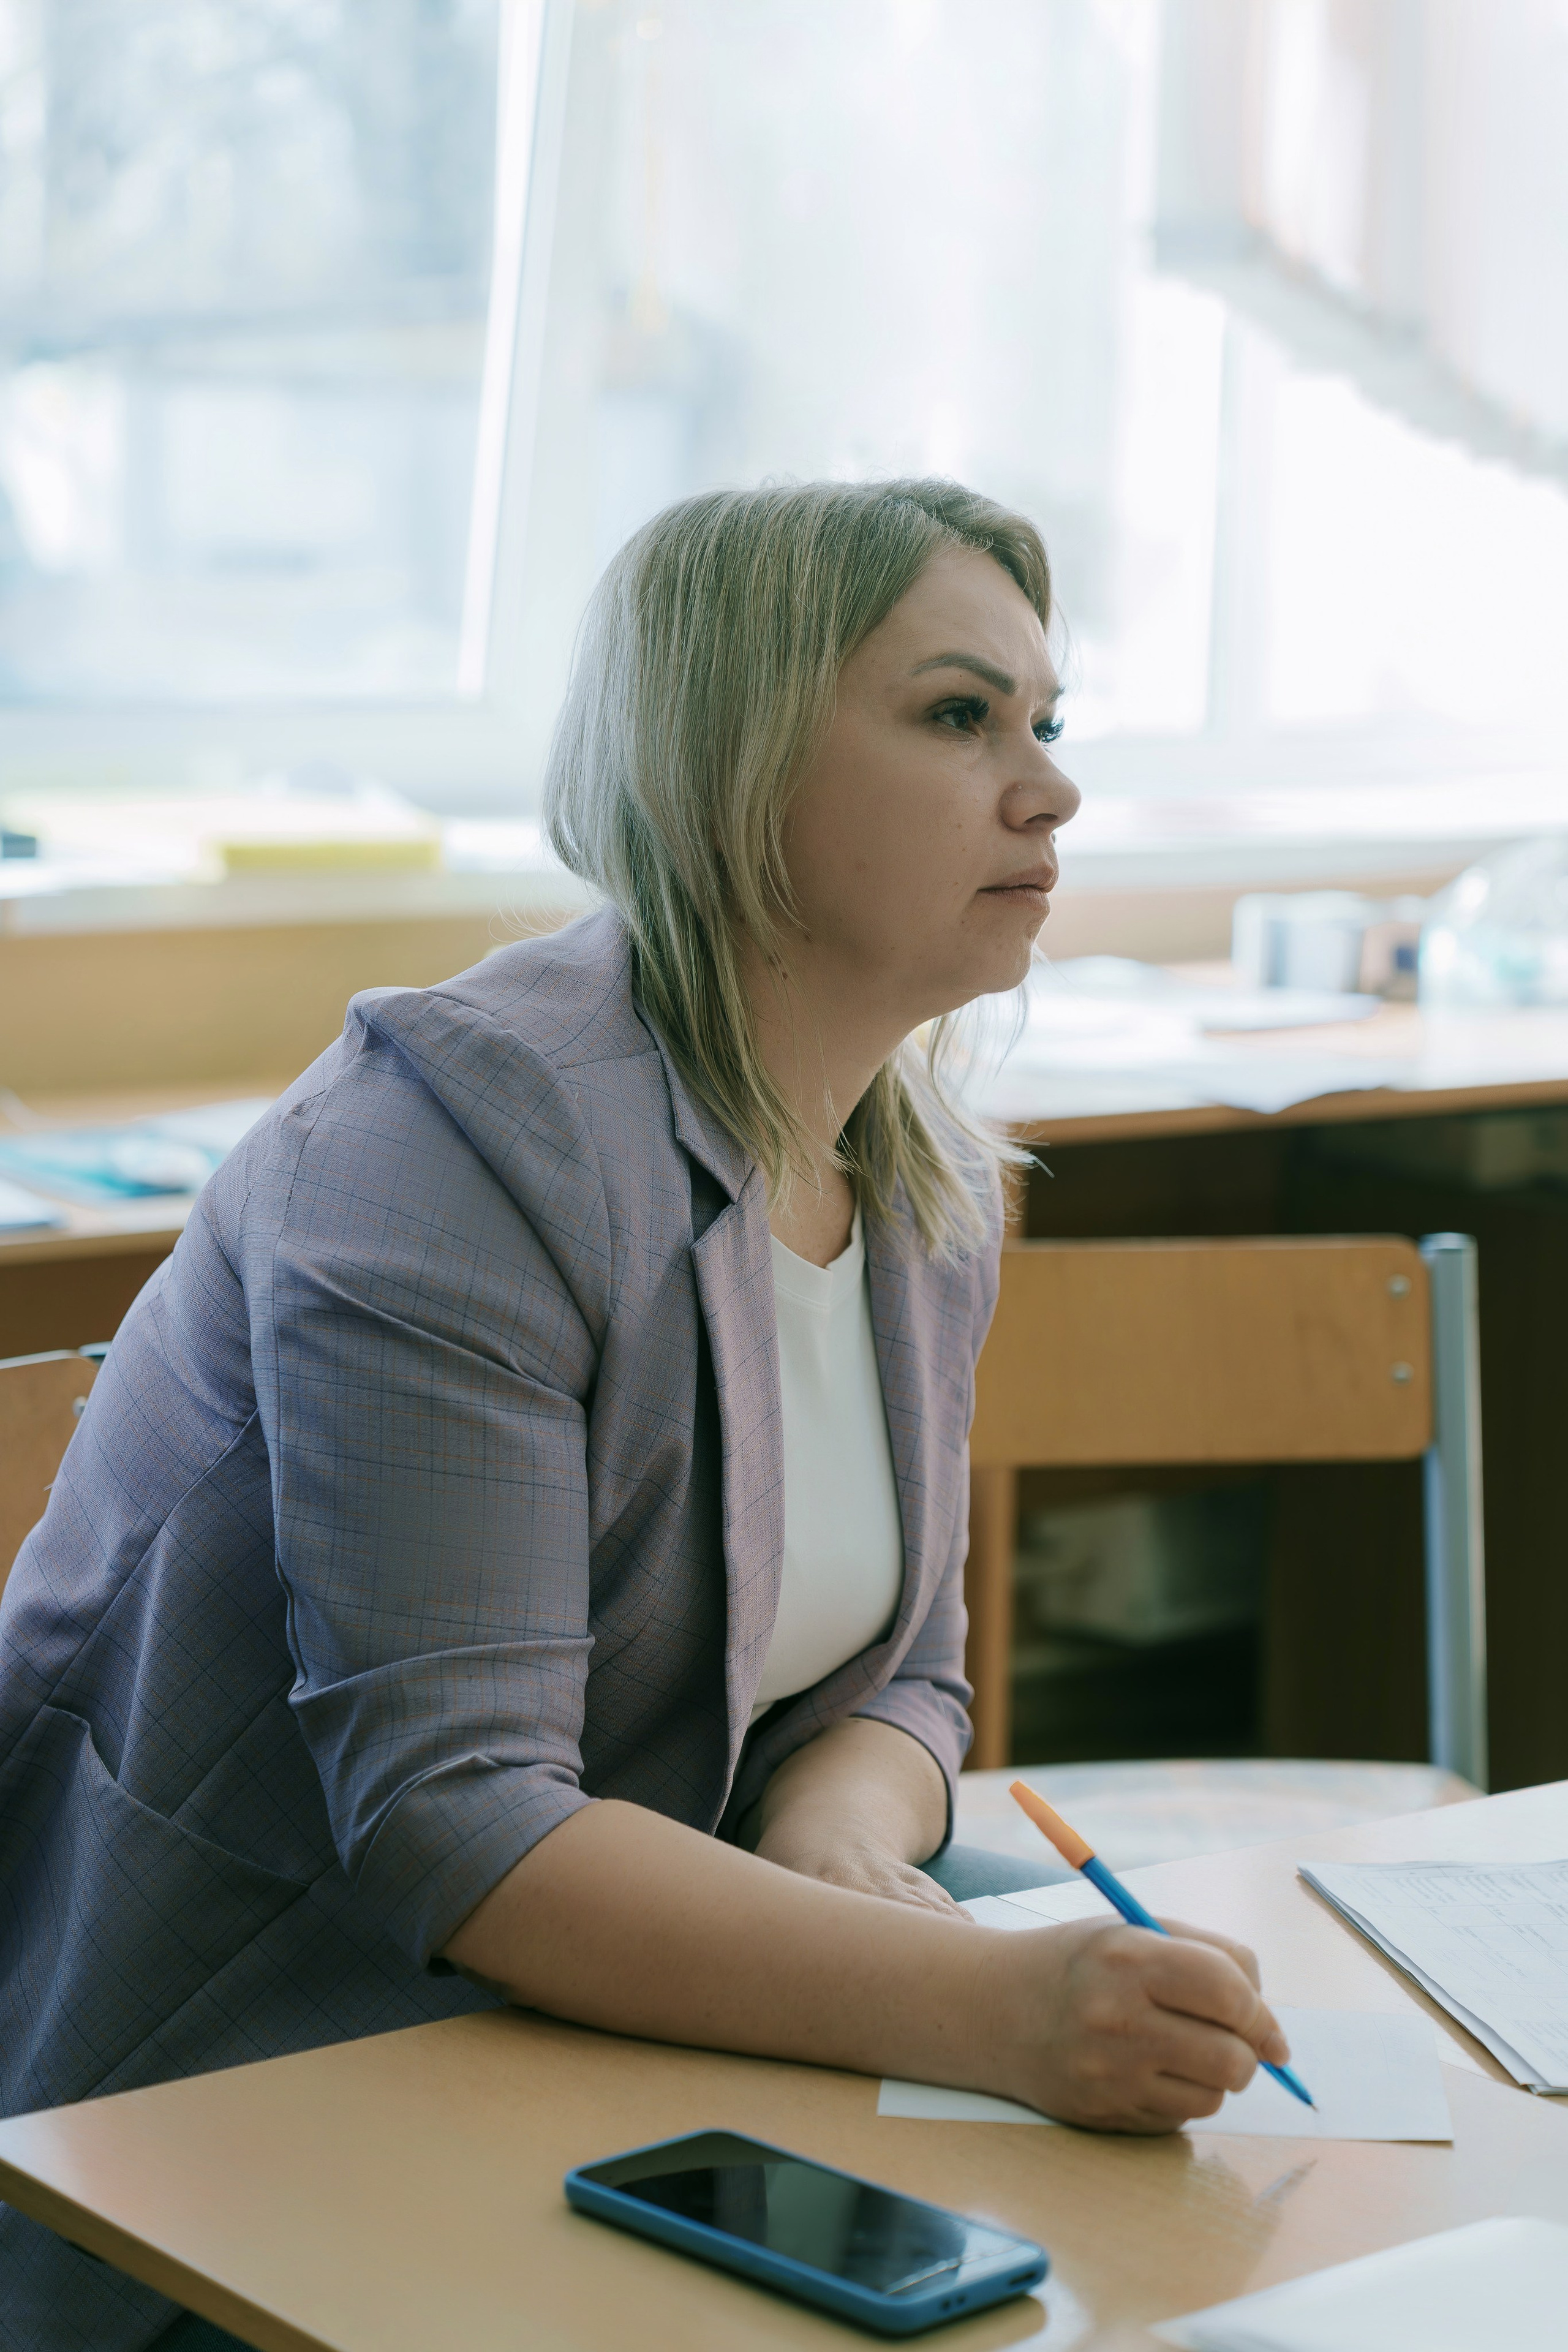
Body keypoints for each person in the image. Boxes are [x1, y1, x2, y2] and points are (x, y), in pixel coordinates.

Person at [0, 481, 1290, 2351]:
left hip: (607, 1998)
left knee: (1196, 2223)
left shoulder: (913, 1166)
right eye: (958, 717)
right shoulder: (447, 1143)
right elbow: (457, 1826)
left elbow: (907, 1677)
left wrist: (848, 1832)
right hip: (248, 2060)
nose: (1052, 789)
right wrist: (996, 2011)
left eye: (1047, 722)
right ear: (730, 765)